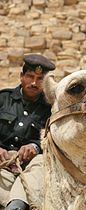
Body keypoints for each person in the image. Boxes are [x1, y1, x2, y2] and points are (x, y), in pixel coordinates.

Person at [0, 54, 55, 210]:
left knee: (42, 162)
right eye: (30, 76)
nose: (34, 83)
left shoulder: (52, 109)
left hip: (30, 168)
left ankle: (16, 205)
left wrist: (36, 146)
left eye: (40, 79)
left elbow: (55, 138)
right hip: (2, 165)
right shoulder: (3, 99)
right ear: (21, 76)